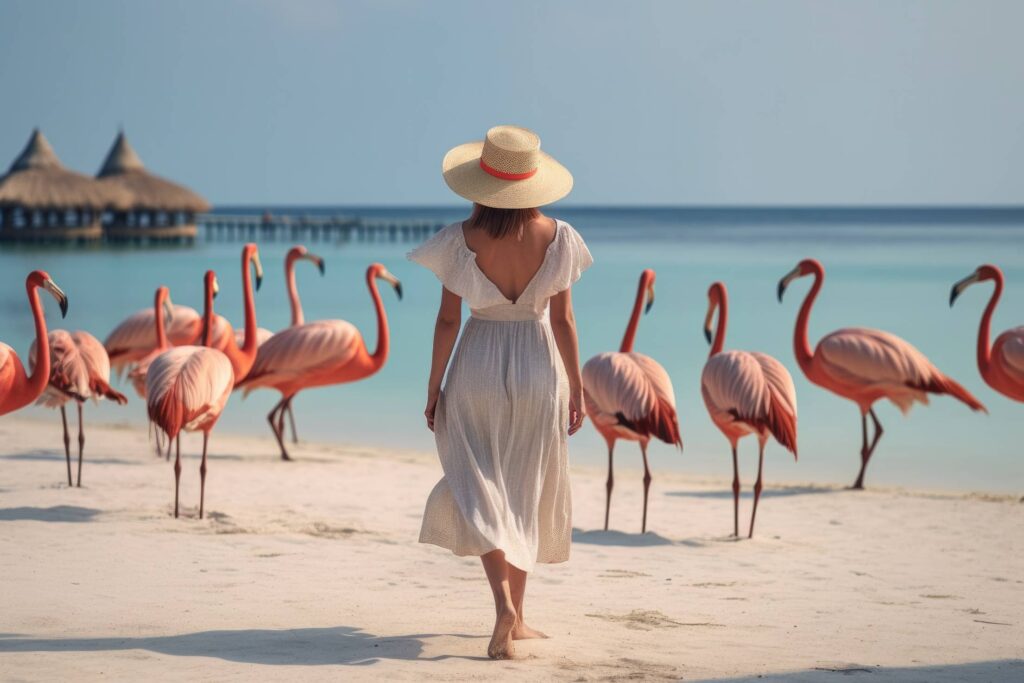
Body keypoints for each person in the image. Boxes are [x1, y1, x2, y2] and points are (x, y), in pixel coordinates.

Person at [408, 125, 592, 659]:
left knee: (479, 483)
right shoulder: (559, 238)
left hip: (478, 361)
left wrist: (434, 385)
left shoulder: (459, 239)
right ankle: (518, 616)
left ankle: (506, 609)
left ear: (480, 183)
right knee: (527, 485)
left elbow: (446, 321)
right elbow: (565, 322)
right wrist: (576, 388)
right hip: (538, 363)